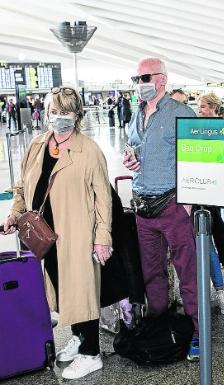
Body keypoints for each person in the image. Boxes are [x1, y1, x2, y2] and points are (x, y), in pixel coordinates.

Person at [2, 86, 112, 380]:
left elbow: (104, 199)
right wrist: (15, 212)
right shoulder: (38, 145)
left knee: (81, 290)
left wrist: (103, 237)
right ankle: (78, 337)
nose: (58, 117)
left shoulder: (88, 150)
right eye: (54, 111)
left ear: (77, 115)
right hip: (44, 234)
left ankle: (91, 354)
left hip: (76, 232)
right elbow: (22, 186)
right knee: (61, 287)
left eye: (65, 112)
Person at [122, 57, 201, 361]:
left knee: (188, 271)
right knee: (152, 272)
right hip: (143, 206)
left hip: (172, 205)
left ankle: (197, 332)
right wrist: (130, 157)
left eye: (144, 78)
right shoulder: (136, 115)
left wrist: (187, 201)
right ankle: (159, 324)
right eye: (136, 78)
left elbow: (200, 159)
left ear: (162, 80)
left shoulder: (182, 113)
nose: (139, 84)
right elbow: (133, 149)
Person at [195, 92, 224, 315]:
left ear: (212, 107)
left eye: (202, 106)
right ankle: (200, 292)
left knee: (207, 241)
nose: (199, 110)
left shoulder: (219, 128)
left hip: (208, 190)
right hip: (192, 191)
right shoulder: (194, 127)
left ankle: (220, 291)